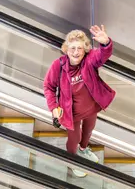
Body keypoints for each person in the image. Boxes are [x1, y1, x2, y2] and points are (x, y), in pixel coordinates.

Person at [43, 25, 116, 177]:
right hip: (72, 113)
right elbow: (49, 87)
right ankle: (72, 160)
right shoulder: (59, 65)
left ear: (85, 50)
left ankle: (84, 149)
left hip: (91, 108)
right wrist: (54, 107)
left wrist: (105, 43)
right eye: (73, 48)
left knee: (88, 131)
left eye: (80, 48)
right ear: (66, 49)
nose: (76, 52)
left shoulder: (89, 61)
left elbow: (102, 55)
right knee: (73, 138)